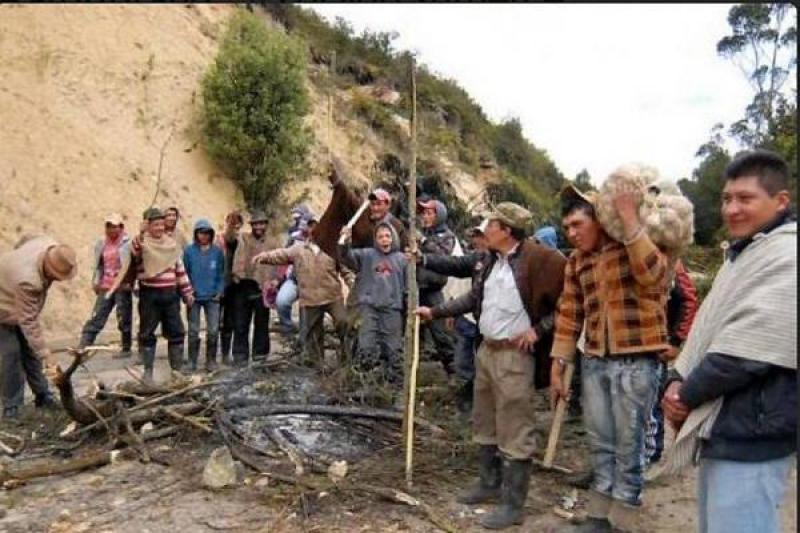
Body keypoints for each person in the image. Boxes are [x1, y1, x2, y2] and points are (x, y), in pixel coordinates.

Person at [659, 150, 796, 533]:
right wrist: (675, 378)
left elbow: (747, 351)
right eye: (726, 199)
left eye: (745, 198)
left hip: (755, 434)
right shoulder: (745, 255)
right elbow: (709, 329)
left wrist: (683, 395)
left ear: (780, 201)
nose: (732, 209)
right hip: (725, 427)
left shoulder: (787, 255)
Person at [417, 202, 566, 530]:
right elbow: (473, 299)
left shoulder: (541, 260)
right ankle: (488, 484)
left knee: (515, 428)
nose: (485, 231)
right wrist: (436, 313)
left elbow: (569, 302)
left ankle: (513, 505)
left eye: (491, 225)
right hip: (486, 350)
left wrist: (538, 330)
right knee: (484, 421)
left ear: (507, 230)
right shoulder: (488, 259)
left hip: (515, 356)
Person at [549, 181, 671, 533]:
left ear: (599, 221)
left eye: (578, 225)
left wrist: (629, 217)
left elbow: (656, 276)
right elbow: (569, 314)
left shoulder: (632, 244)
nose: (571, 234)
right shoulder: (577, 262)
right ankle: (599, 517)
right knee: (600, 442)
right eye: (567, 227)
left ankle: (624, 522)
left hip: (638, 360)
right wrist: (558, 365)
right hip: (596, 361)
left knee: (629, 446)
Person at [253, 219, 346, 369]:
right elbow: (281, 254)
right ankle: (318, 365)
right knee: (312, 335)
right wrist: (263, 257)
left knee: (344, 323)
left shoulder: (332, 248)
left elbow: (346, 270)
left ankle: (346, 358)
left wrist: (353, 284)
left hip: (332, 296)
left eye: (318, 228)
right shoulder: (299, 249)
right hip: (310, 298)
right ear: (308, 231)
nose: (315, 231)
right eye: (312, 228)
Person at [0, 237, 75, 418]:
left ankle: (42, 395)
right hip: (2, 307)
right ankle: (12, 406)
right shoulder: (28, 280)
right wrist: (47, 355)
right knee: (12, 355)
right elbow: (28, 321)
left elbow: (26, 238)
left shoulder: (48, 244)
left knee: (31, 352)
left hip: (15, 296)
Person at [338, 222, 407, 389]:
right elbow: (346, 257)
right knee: (366, 346)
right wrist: (344, 242)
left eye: (388, 236)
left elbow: (409, 288)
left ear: (393, 238)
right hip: (369, 309)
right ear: (375, 240)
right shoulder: (366, 255)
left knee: (393, 350)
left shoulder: (403, 260)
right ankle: (363, 385)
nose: (384, 240)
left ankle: (396, 387)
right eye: (381, 236)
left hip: (392, 310)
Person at [131, 207, 194, 382]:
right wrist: (141, 232)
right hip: (149, 295)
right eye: (155, 224)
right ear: (148, 225)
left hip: (170, 294)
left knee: (176, 332)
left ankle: (176, 372)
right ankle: (148, 372)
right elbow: (134, 251)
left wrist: (187, 292)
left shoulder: (171, 244)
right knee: (147, 333)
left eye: (161, 224)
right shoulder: (142, 242)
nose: (159, 228)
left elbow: (180, 270)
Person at [77, 213, 133, 358]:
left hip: (122, 285)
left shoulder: (128, 243)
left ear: (121, 227)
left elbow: (132, 266)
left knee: (124, 317)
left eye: (114, 226)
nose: (111, 230)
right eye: (108, 226)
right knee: (97, 316)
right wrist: (96, 281)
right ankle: (83, 346)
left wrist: (132, 283)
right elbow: (99, 265)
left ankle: (126, 347)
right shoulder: (101, 243)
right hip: (106, 285)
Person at [231, 209, 278, 365]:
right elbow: (238, 255)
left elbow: (280, 264)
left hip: (263, 286)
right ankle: (240, 355)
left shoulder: (274, 242)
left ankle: (260, 355)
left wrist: (275, 281)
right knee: (240, 322)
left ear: (266, 225)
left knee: (262, 322)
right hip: (244, 284)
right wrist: (238, 275)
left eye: (262, 223)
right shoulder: (244, 238)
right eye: (256, 223)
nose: (259, 226)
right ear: (251, 225)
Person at [416, 198, 457, 375]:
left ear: (439, 215)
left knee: (440, 334)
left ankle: (454, 371)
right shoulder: (418, 234)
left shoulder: (447, 236)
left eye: (429, 213)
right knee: (411, 330)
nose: (425, 216)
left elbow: (443, 256)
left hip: (433, 290)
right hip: (415, 288)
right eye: (423, 213)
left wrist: (424, 242)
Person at [183, 219, 225, 372]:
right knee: (193, 331)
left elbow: (222, 273)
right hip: (194, 298)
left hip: (212, 297)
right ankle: (192, 362)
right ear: (196, 234)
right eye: (201, 232)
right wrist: (186, 293)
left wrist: (220, 291)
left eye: (207, 232)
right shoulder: (188, 252)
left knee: (213, 330)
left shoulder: (217, 252)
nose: (204, 236)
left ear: (211, 234)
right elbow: (184, 274)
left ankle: (211, 361)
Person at [216, 210, 244, 366]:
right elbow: (229, 239)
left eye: (238, 223)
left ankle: (227, 354)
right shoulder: (220, 240)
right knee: (216, 321)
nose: (235, 226)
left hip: (236, 285)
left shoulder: (244, 240)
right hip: (222, 282)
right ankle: (214, 354)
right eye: (233, 222)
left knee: (230, 321)